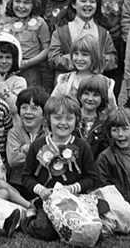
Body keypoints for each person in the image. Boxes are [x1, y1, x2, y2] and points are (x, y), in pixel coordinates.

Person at [21, 95, 98, 241]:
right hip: (46, 201)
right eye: (57, 118)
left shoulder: (82, 146)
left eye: (69, 118)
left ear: (77, 121)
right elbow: (26, 176)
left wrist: (72, 189)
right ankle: (27, 219)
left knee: (90, 232)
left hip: (76, 199)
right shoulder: (37, 145)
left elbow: (92, 178)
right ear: (48, 119)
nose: (63, 123)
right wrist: (41, 190)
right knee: (44, 231)